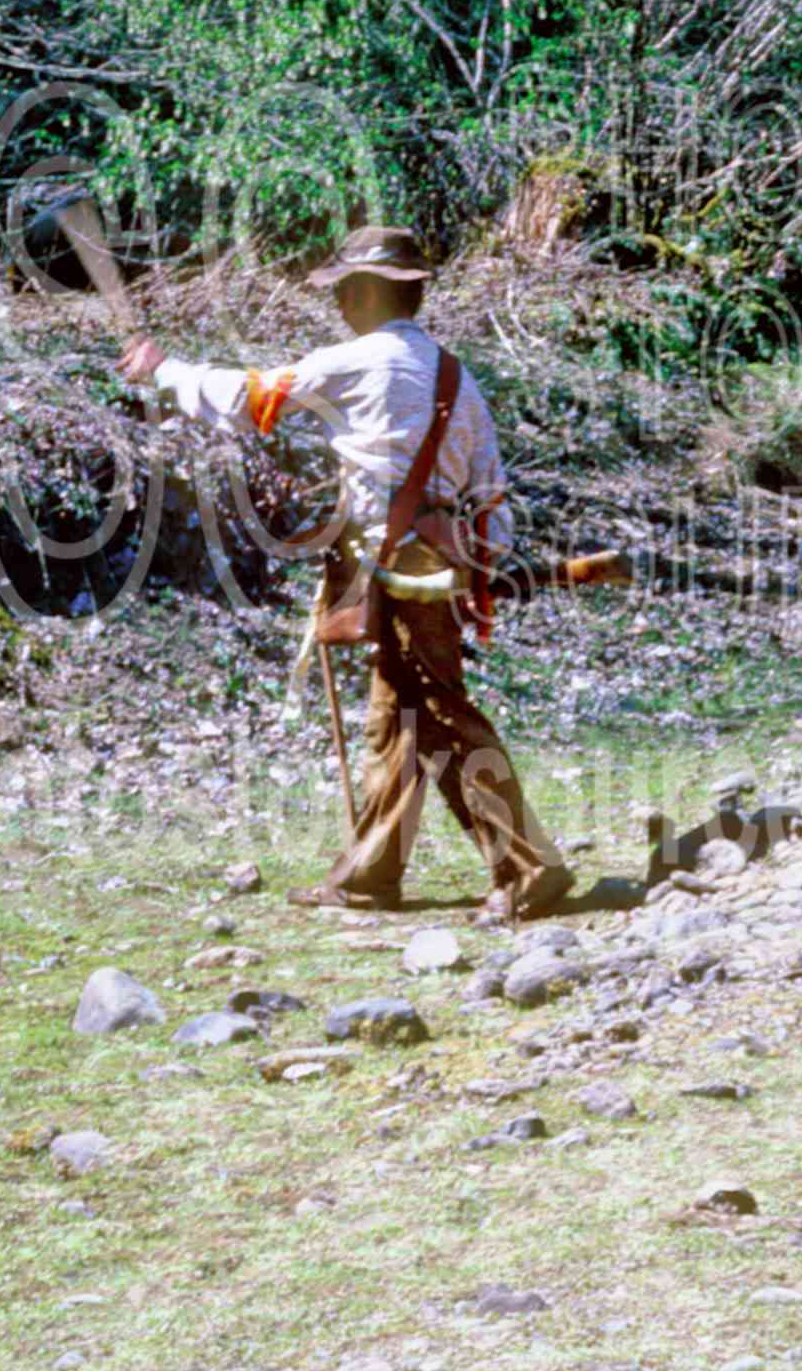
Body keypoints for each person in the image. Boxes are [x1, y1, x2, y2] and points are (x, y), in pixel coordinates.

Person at [119, 226, 573, 925]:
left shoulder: (361, 360)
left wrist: (165, 370)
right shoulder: (455, 376)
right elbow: (491, 493)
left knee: (442, 717)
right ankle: (370, 877)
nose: (337, 304)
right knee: (397, 721)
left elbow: (252, 399)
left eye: (344, 291)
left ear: (365, 293)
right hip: (435, 570)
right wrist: (476, 573)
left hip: (398, 571)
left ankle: (531, 868)